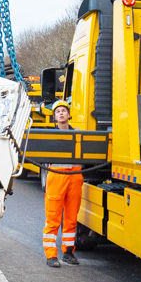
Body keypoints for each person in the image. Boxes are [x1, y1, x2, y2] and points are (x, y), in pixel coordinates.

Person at [43, 102, 84, 267]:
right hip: (57, 178)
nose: (61, 113)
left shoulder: (78, 135)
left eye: (64, 111)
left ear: (68, 115)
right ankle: (51, 255)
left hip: (74, 178)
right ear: (55, 117)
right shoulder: (50, 135)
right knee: (53, 217)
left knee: (71, 218)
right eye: (58, 111)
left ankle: (68, 252)